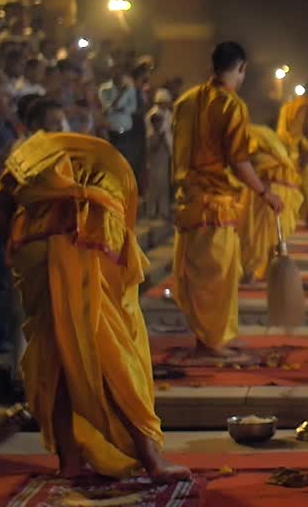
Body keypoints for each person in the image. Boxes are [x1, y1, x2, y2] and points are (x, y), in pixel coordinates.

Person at [0, 127, 190, 482]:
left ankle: (69, 461)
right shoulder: (109, 168)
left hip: (35, 245)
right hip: (86, 242)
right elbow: (124, 223)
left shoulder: (28, 157)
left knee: (57, 356)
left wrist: (15, 247)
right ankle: (152, 459)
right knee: (105, 350)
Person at [172, 43, 283, 358]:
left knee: (203, 274)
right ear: (241, 68)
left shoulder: (186, 101)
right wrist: (265, 193)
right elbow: (238, 160)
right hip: (216, 203)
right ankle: (212, 342)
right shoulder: (231, 105)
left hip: (189, 200)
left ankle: (214, 336)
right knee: (215, 276)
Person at [240, 124, 303, 283]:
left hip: (269, 188)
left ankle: (251, 270)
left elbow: (242, 163)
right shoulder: (265, 137)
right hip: (281, 189)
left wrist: (263, 192)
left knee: (257, 234)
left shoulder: (249, 137)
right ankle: (268, 271)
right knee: (272, 234)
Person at [276, 82, 308, 230]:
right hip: (303, 151)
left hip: (287, 151)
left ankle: (290, 219)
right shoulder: (307, 106)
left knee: (293, 187)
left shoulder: (288, 106)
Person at [143, 89, 175, 220]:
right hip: (155, 156)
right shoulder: (152, 115)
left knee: (164, 185)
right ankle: (151, 211)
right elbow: (152, 143)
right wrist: (160, 137)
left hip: (165, 152)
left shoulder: (168, 114)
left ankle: (163, 210)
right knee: (154, 185)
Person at [99, 65, 138, 166]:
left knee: (126, 162)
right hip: (112, 131)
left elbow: (133, 108)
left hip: (127, 131)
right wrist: (120, 97)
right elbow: (106, 108)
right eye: (116, 73)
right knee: (112, 162)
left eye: (121, 73)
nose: (118, 76)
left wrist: (122, 109)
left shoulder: (130, 89)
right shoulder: (105, 89)